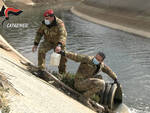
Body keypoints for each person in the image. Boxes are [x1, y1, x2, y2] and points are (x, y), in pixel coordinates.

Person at [32, 9, 67, 75]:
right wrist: (35, 44)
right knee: (41, 50)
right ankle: (41, 70)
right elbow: (39, 33)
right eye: (45, 18)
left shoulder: (59, 23)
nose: (46, 20)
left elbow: (63, 35)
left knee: (62, 60)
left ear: (52, 17)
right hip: (48, 42)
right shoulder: (44, 23)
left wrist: (59, 45)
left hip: (59, 43)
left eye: (47, 18)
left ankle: (62, 75)